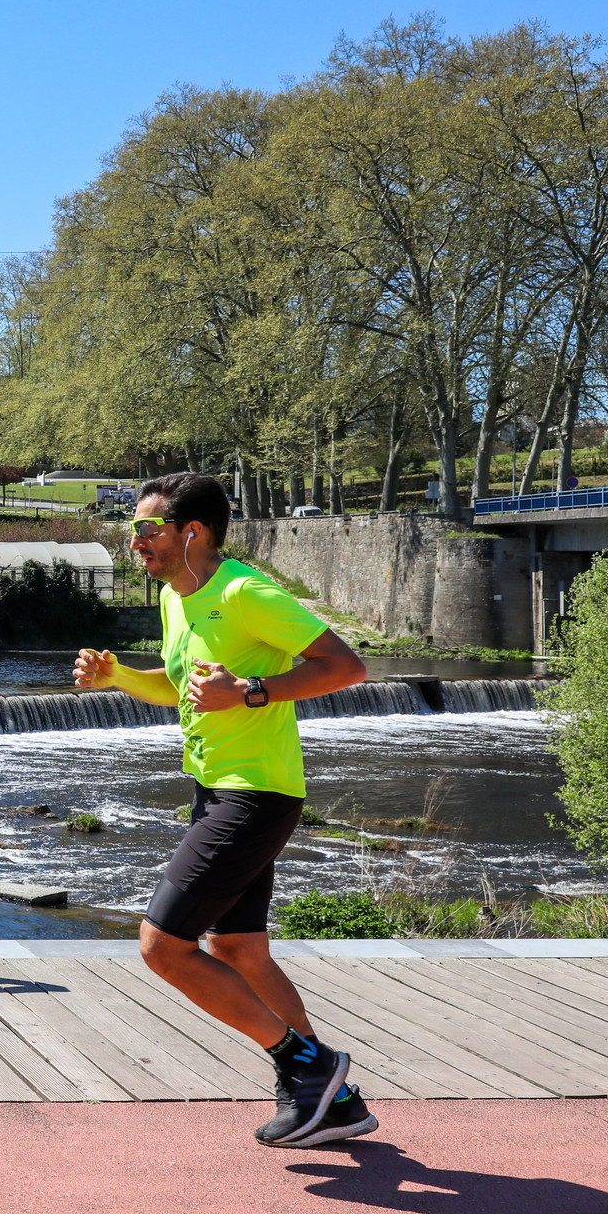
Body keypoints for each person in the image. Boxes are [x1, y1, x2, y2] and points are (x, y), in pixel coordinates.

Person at [73, 472, 377, 1147]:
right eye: (131, 530)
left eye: (145, 529)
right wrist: (117, 675)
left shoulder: (242, 591)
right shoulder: (178, 600)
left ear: (192, 533)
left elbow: (346, 665)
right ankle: (337, 1100)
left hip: (257, 791)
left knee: (163, 945)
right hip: (217, 788)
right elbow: (181, 686)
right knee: (237, 947)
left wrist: (255, 691)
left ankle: (310, 1066)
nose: (134, 542)